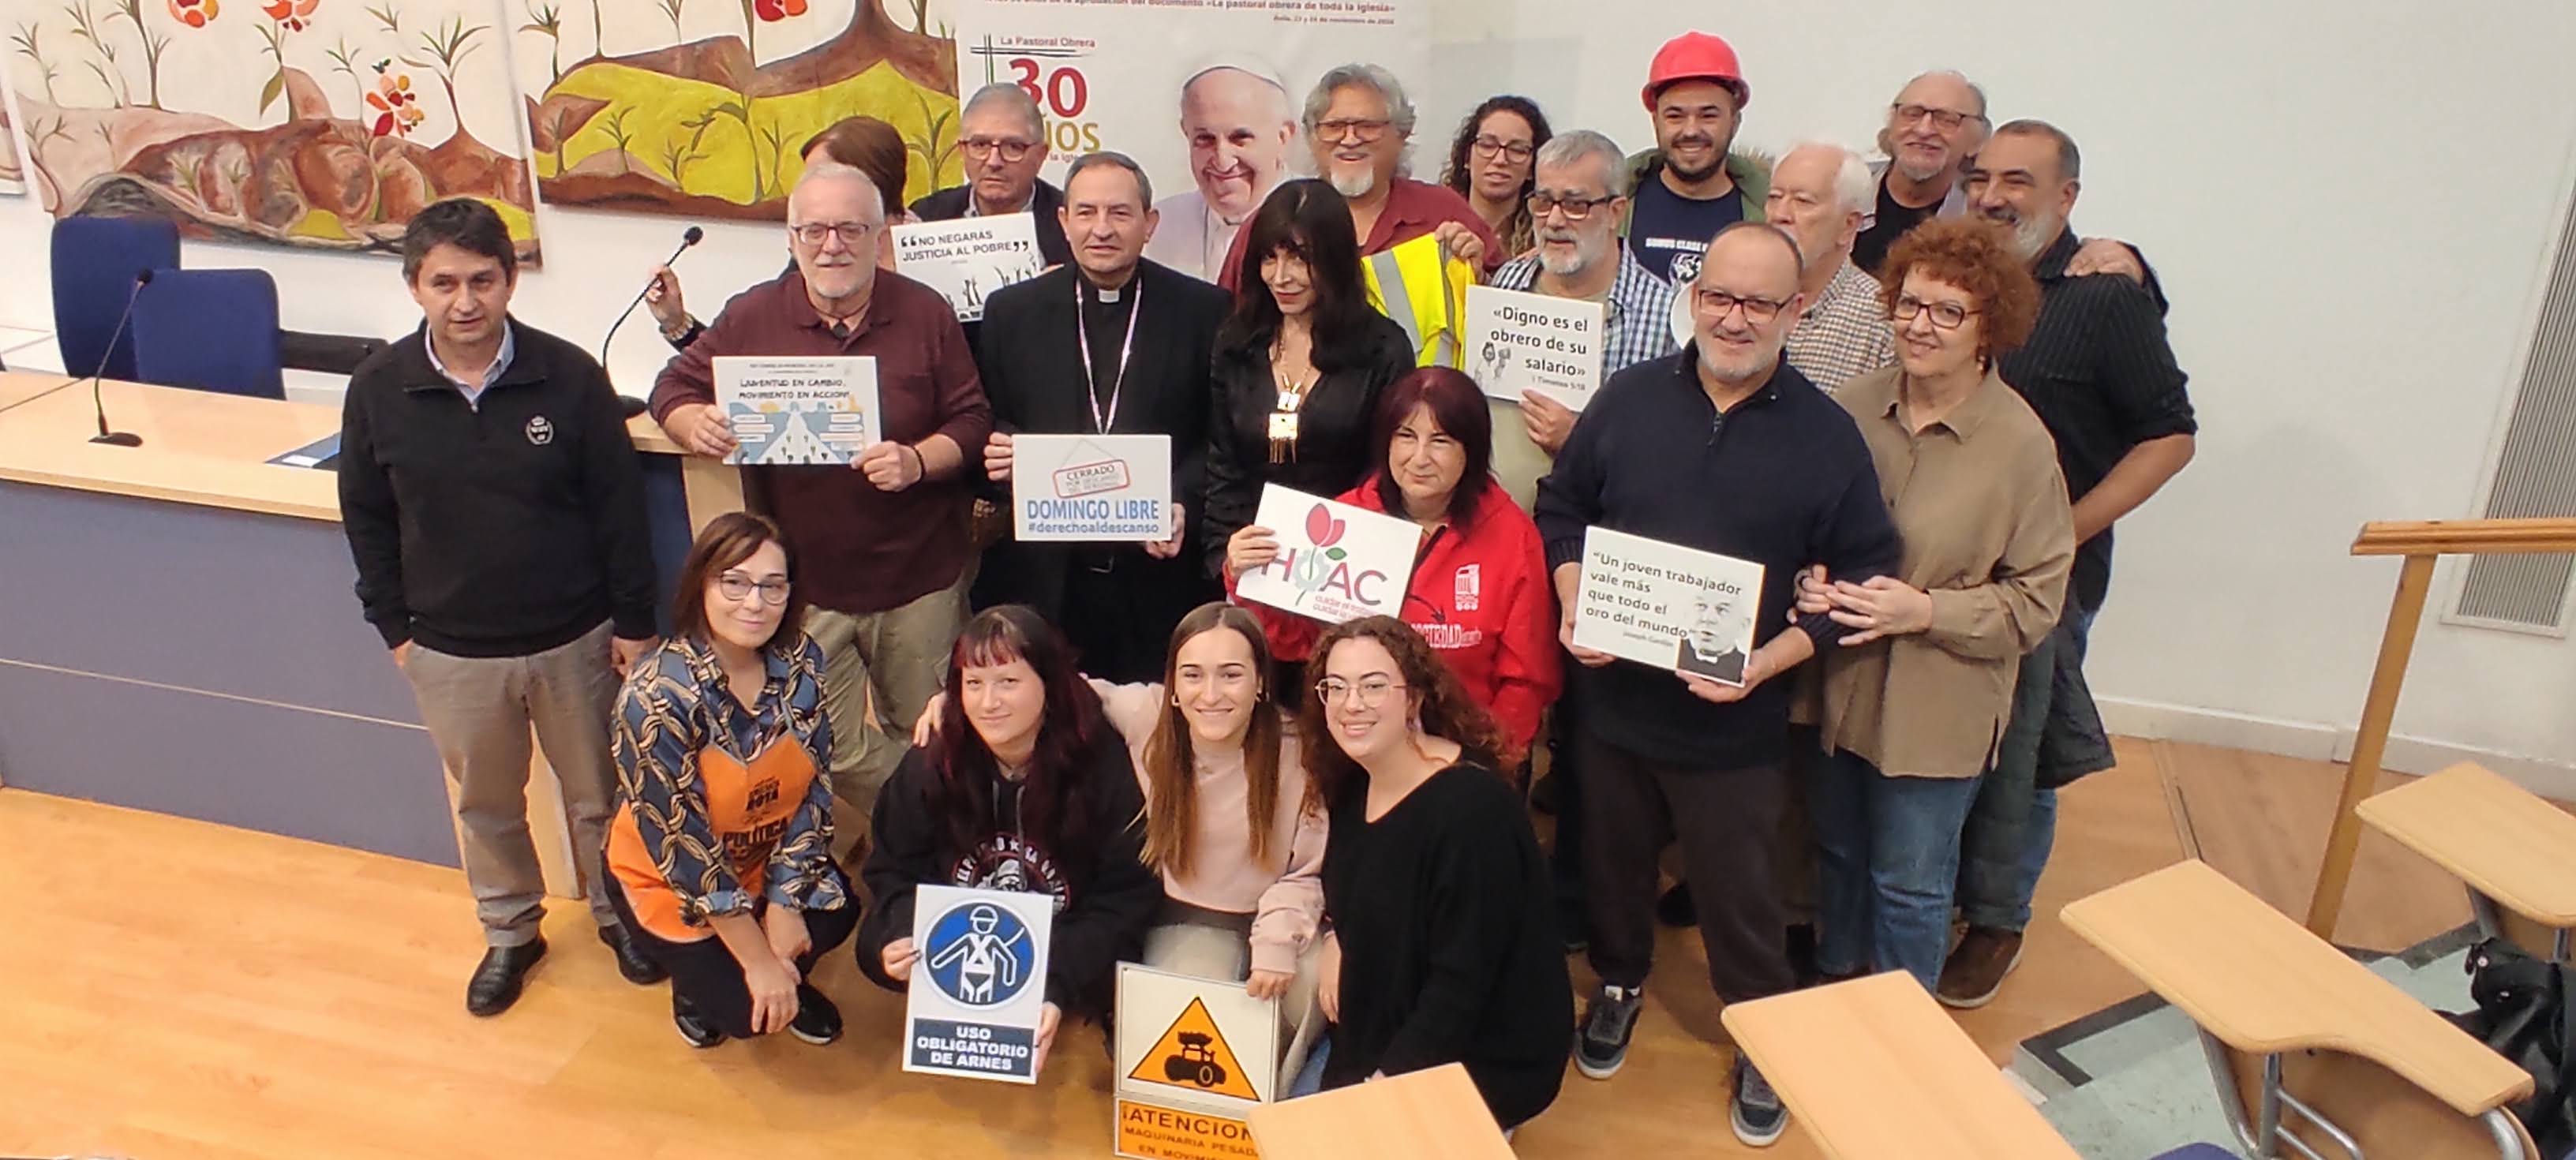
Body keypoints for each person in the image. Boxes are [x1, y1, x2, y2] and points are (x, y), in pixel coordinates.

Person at [1533, 221, 1900, 1147]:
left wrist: (1767, 663)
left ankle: (1765, 1034)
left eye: (1760, 303)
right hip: (1612, 706)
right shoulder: (1625, 401)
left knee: (1740, 898)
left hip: (1734, 727)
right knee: (1613, 872)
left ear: (1797, 310)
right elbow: (1565, 505)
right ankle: (1617, 985)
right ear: (1693, 301)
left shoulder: (1826, 438)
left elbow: (1859, 579)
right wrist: (1574, 598)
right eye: (1719, 298)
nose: (1735, 319)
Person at [337, 197, 665, 1016]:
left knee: (602, 796)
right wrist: (396, 632)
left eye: (483, 279)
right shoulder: (379, 389)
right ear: (415, 286)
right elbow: (366, 518)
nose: (466, 301)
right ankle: (512, 931)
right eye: (444, 282)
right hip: (450, 650)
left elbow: (619, 510)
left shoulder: (569, 375)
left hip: (576, 637)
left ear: (510, 280)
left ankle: (620, 914)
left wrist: (634, 623)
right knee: (486, 805)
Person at [1937, 119, 2196, 1009]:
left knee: (2024, 750)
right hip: (1945, 568)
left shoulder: (2103, 297)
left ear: (2067, 198)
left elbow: (2170, 437)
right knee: (1953, 739)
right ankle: (1940, 900)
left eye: (2019, 180)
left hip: (2048, 580)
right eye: (1982, 178)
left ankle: (1998, 916)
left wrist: (2065, 532)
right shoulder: (1958, 289)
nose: (1994, 195)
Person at [650, 165, 994, 833]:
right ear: (792, 237)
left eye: (850, 229)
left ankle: (936, 846)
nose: (831, 245)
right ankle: (939, 829)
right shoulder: (753, 314)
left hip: (920, 579)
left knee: (935, 731)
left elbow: (973, 422)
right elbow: (674, 385)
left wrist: (919, 460)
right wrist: (690, 421)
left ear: (879, 234)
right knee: (826, 744)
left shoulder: (925, 311)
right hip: (809, 588)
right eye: (814, 230)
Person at [1801, 218, 2073, 993]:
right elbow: (1803, 527)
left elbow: (2035, 604)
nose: (1920, 326)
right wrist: (1806, 580)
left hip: (1940, 704)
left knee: (1911, 884)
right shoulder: (1851, 409)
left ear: (1992, 328)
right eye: (1909, 305)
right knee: (1841, 860)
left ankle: (1901, 1035)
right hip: (1840, 689)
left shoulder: (2022, 447)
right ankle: (1831, 996)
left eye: (1948, 312)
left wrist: (1925, 613)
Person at [913, 601, 1331, 1083]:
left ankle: (1278, 1101)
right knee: (1186, 1028)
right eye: (1192, 675)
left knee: (1304, 990)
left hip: (1280, 914)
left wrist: (1277, 941)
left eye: (1231, 675)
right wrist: (957, 703)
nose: (1211, 694)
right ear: (1173, 686)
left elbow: (1308, 870)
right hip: (1184, 914)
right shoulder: (1145, 717)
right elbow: (1054, 688)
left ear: (1260, 681)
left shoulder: (1299, 750)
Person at [1299, 616, 1572, 1130]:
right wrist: (1338, 936)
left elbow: (1462, 984)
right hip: (1390, 1014)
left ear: (1415, 699)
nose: (1351, 704)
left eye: (1374, 686)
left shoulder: (1473, 812)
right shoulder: (1353, 784)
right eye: (1335, 687)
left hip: (1480, 1052)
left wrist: (1384, 1089)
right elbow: (1359, 893)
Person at [855, 605, 1161, 1065]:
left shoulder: (1104, 767)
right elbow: (894, 868)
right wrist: (898, 933)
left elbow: (1123, 898)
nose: (988, 702)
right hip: (973, 936)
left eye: (1008, 682)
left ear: (1049, 685)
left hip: (1068, 931)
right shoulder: (930, 763)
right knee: (871, 949)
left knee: (1121, 970)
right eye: (973, 684)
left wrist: (1056, 979)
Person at [605, 513, 861, 1047]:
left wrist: (786, 904)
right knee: (747, 1016)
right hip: (670, 876)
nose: (754, 603)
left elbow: (814, 788)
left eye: (773, 586)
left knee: (838, 913)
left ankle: (784, 982)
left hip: (759, 854)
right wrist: (759, 958)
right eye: (735, 582)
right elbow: (684, 850)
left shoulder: (802, 663)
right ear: (701, 583)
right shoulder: (655, 696)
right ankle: (701, 987)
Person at [975, 152, 1231, 681]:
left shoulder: (1205, 312)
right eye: (1086, 212)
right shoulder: (1011, 312)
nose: (1101, 229)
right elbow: (992, 419)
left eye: (1119, 213)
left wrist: (1182, 501)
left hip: (1160, 575)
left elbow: (1221, 435)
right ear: (1063, 221)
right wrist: (1002, 449)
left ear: (1149, 224)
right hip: (1048, 580)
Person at [1224, 368, 1561, 761]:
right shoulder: (1344, 518)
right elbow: (1296, 641)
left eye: (1441, 441)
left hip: (1467, 757)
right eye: (1405, 436)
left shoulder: (1512, 536)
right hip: (1353, 748)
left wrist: (1488, 761)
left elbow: (1527, 679)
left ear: (1472, 450)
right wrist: (1247, 575)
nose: (1420, 458)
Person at [1202, 179, 1416, 582]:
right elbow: (1223, 465)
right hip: (1252, 564)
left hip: (1349, 569)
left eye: (1300, 259)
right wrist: (1225, 555)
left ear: (1335, 261)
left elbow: (1386, 470)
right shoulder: (1237, 342)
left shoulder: (1383, 348)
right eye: (1269, 258)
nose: (1281, 277)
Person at [1487, 129, 1678, 507]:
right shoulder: (1508, 280)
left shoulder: (1665, 315)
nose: (1555, 220)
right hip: (1489, 532)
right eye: (1543, 202)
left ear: (1615, 212)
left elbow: (1669, 461)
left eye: (1575, 205)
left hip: (1583, 538)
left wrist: (1582, 441)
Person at [1215, 64, 1503, 290]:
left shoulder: (1443, 212)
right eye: (1334, 126)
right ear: (1312, 137)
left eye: (1367, 126)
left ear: (1401, 134)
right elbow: (1229, 320)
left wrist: (1478, 278)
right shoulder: (1273, 218)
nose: (1350, 139)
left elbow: (1505, 315)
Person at [1854, 71, 2150, 286]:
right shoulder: (1844, 189)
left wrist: (2128, 262)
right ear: (1891, 124)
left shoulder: (1988, 215)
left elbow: (2046, 248)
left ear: (1979, 140)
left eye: (1947, 119)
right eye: (1912, 113)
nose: (1924, 129)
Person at [646, 117, 915, 346]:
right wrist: (677, 324)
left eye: (821, 176)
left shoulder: (935, 253)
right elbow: (747, 361)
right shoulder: (811, 258)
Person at [1621, 32, 1769, 284]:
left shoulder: (1769, 215)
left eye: (1708, 115)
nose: (1691, 130)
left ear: (1735, 122)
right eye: (1675, 116)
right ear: (1655, 121)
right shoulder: (1611, 204)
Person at [1145, 62, 1299, 283]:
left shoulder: (1317, 218)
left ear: (1283, 138)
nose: (1223, 161)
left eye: (1240, 138)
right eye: (1205, 139)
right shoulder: (1162, 226)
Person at [1770, 142, 1899, 395]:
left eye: (1803, 201)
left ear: (1848, 226)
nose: (1780, 214)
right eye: (1774, 197)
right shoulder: (1734, 298)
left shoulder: (1883, 321)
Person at [911, 84, 1077, 268]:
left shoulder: (1073, 224)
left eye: (1013, 147)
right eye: (980, 145)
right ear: (962, 150)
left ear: (1041, 155)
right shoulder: (927, 218)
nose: (994, 162)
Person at [1441, 95, 1551, 260]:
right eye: (1487, 145)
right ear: (1466, 157)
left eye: (1518, 150)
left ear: (1532, 167)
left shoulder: (1545, 238)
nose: (1500, 160)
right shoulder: (1435, 221)